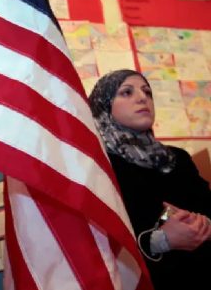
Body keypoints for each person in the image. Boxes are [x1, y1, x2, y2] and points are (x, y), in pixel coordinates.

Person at [88, 69, 211, 290]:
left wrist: (204, 224)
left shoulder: (177, 158)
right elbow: (98, 241)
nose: (142, 97)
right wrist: (161, 240)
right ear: (103, 106)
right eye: (126, 92)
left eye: (147, 92)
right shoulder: (99, 165)